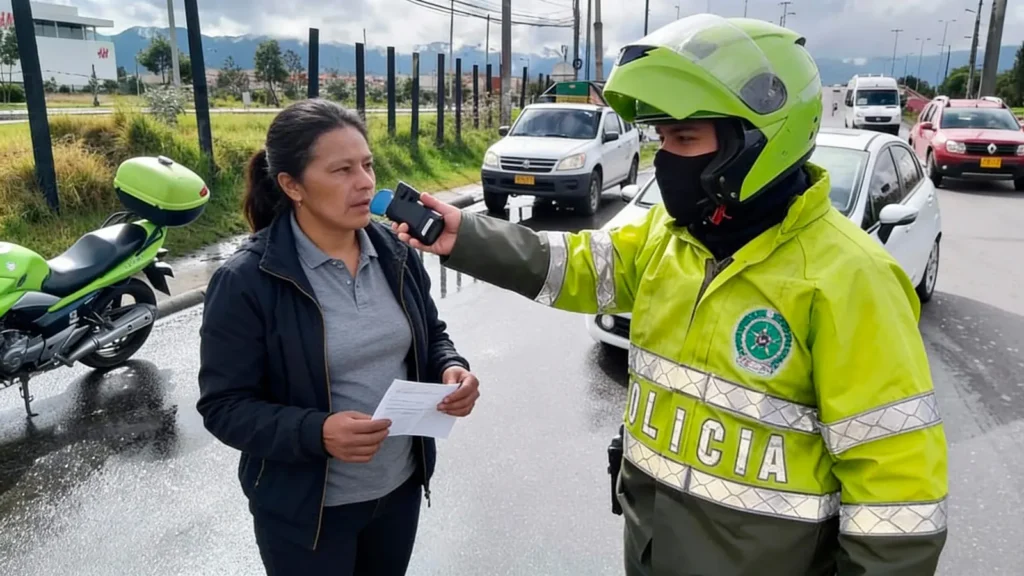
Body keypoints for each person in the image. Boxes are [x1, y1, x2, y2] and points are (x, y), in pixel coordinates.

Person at [393, 14, 948, 576]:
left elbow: (896, 493)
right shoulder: (670, 236)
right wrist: (468, 238)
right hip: (652, 550)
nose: (664, 160)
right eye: (661, 139)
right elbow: (575, 265)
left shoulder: (851, 278)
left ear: (757, 143)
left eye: (684, 139)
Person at [196, 99, 480, 576]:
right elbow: (223, 407)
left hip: (398, 492)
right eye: (342, 170)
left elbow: (430, 333)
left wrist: (451, 367)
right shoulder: (248, 280)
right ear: (292, 186)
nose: (365, 182)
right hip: (306, 515)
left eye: (367, 164)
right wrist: (317, 433)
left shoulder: (396, 252)